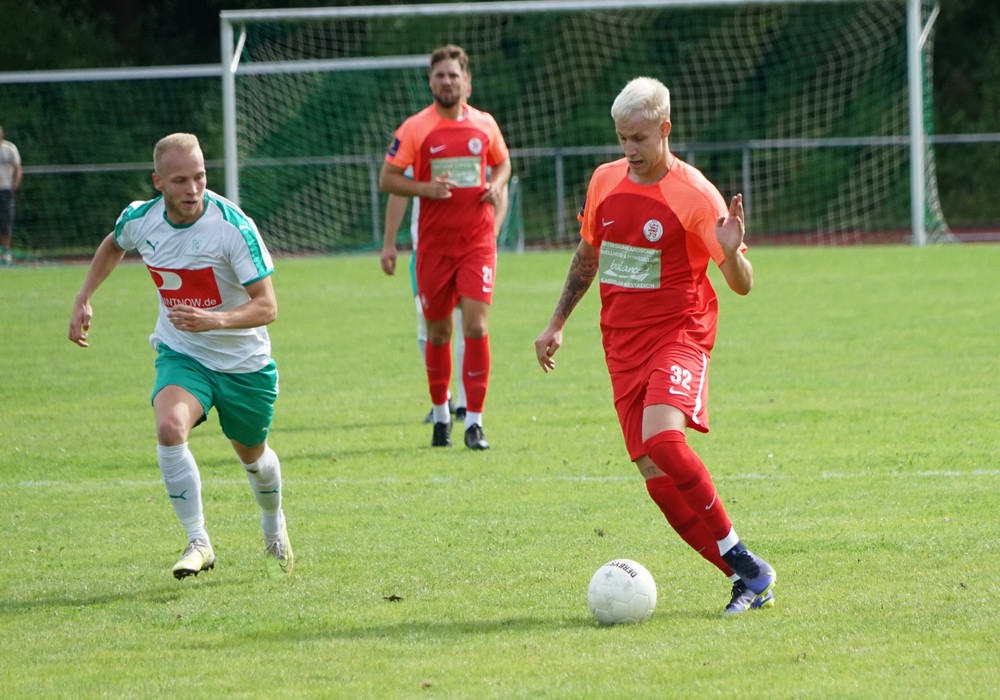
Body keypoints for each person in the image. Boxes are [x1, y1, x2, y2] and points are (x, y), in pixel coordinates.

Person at [533, 77, 776, 615]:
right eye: (622, 138)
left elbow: (742, 284)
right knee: (655, 476)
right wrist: (556, 323)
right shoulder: (605, 181)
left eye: (639, 138)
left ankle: (746, 563)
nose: (629, 150)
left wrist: (732, 253)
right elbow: (588, 256)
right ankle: (745, 575)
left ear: (665, 129)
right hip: (621, 347)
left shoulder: (696, 195)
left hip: (679, 334)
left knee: (665, 442)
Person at [68, 132, 293, 580]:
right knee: (170, 428)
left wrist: (215, 320)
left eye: (200, 177)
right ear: (158, 182)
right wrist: (84, 296)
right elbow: (114, 243)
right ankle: (198, 541)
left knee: (255, 460)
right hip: (182, 353)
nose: (193, 189)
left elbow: (268, 307)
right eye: (180, 181)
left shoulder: (232, 227)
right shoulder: (142, 219)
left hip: (243, 364)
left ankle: (273, 524)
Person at [379, 44, 512, 450]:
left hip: (477, 244)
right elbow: (388, 178)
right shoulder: (415, 128)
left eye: (454, 75)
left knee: (477, 327)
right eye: (440, 75)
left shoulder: (485, 125)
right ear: (430, 82)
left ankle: (474, 423)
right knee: (438, 333)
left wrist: (496, 184)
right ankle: (441, 416)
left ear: (466, 81)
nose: (447, 81)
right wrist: (425, 189)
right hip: (434, 249)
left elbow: (503, 162)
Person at [381, 165, 510, 425]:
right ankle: (442, 399)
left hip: (472, 250)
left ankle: (464, 404)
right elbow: (397, 188)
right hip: (428, 249)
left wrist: (493, 230)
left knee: (469, 325)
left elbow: (500, 178)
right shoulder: (418, 145)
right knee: (428, 324)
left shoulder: (481, 144)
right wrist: (389, 242)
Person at [0, 124, 23, 264]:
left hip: (5, 189)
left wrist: (15, 184)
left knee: (5, 222)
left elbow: (18, 167)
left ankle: (6, 252)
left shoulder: (10, 148)